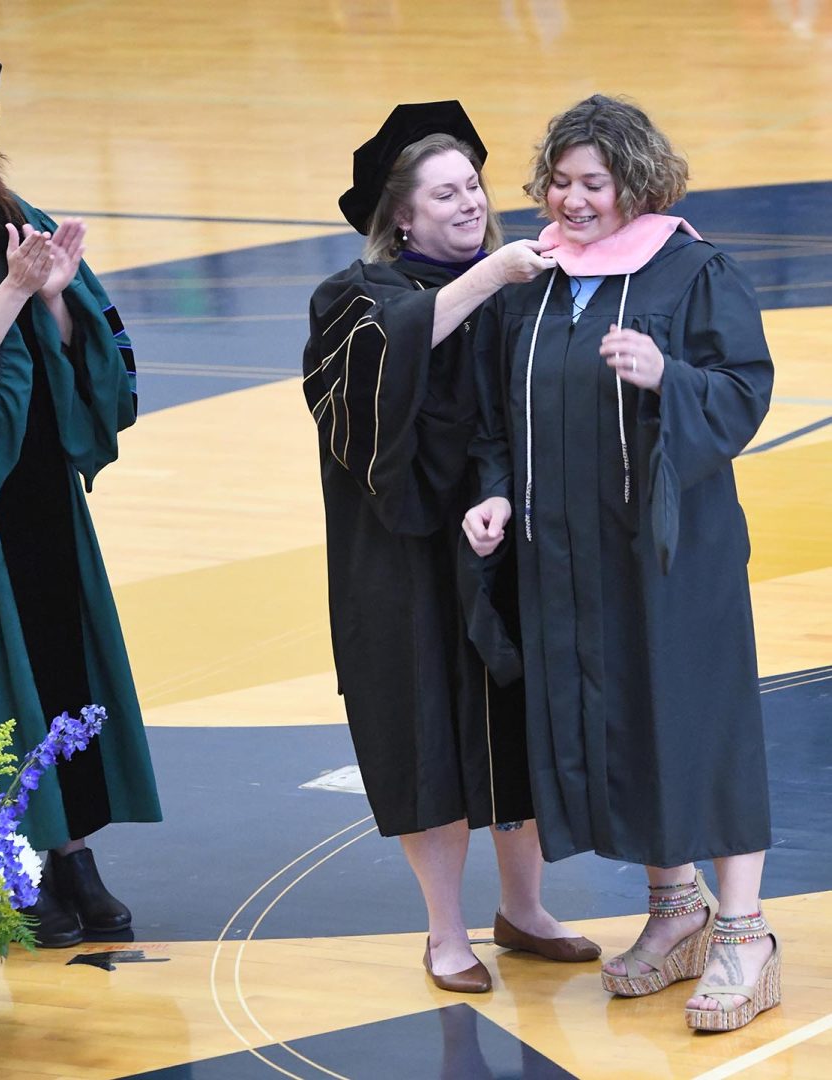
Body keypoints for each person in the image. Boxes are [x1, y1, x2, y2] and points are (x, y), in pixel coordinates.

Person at [463, 94, 779, 1030]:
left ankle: (745, 934)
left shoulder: (692, 269)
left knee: (698, 721)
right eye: (558, 181)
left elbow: (743, 391)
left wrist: (666, 375)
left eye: (593, 183)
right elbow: (494, 417)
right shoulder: (532, 283)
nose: (572, 200)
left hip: (673, 553)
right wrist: (496, 492)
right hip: (566, 553)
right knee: (629, 719)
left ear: (635, 184)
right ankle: (674, 909)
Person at [303, 100, 601, 993]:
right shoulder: (354, 299)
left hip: (502, 542)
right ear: (400, 214)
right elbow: (381, 371)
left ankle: (523, 909)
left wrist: (502, 491)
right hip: (399, 559)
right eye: (444, 193)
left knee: (516, 722)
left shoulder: (520, 292)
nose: (469, 203)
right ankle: (444, 933)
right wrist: (486, 279)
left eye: (473, 185)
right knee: (422, 729)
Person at [0, 42, 161, 948]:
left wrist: (58, 297)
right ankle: (10, 862)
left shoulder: (10, 217)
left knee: (55, 663)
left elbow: (80, 353)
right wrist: (5, 298)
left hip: (36, 488)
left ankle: (71, 851)